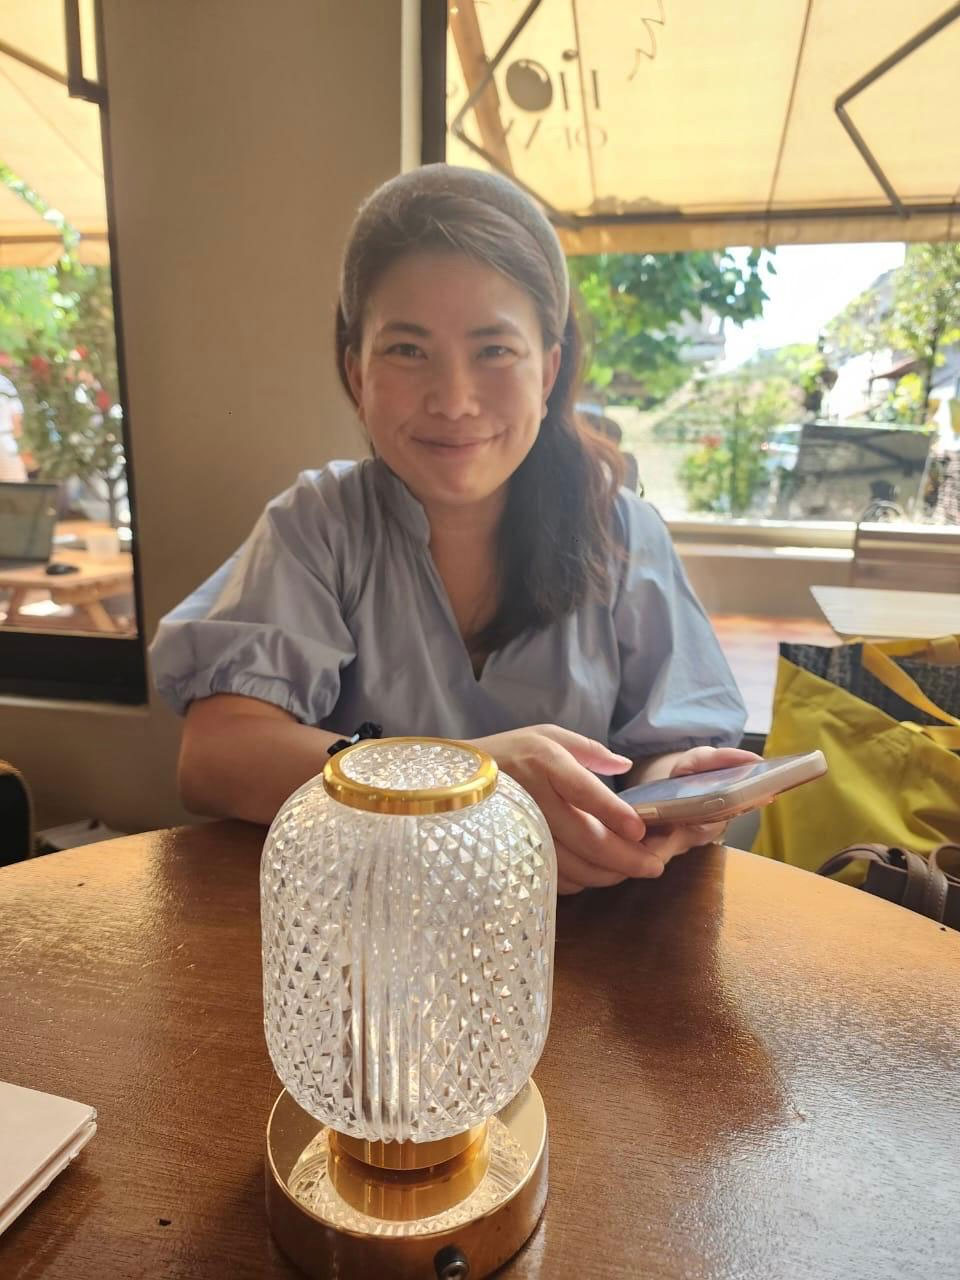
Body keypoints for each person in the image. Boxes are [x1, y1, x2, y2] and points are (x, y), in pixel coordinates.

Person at [150, 164, 752, 894]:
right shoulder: (318, 524)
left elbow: (659, 759)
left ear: (549, 371)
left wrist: (675, 789)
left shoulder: (622, 534)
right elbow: (215, 758)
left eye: (494, 350)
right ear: (356, 374)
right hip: (363, 927)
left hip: (573, 930)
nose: (455, 400)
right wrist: (465, 781)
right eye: (407, 350)